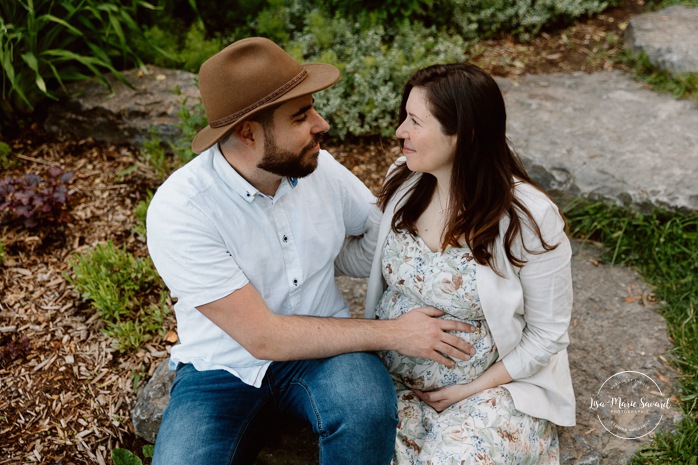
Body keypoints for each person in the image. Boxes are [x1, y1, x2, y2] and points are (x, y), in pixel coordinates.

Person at [146, 37, 476, 465]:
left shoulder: (319, 169)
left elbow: (377, 240)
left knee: (367, 409)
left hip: (327, 356)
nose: (322, 124)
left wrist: (421, 195)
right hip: (221, 370)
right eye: (301, 116)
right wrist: (396, 333)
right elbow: (262, 337)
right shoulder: (182, 210)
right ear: (247, 132)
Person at [365, 62, 575, 464]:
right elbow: (362, 252)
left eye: (415, 121)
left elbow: (548, 334)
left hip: (490, 393)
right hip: (393, 386)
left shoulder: (527, 217)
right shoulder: (405, 180)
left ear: (466, 133)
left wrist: (466, 390)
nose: (400, 133)